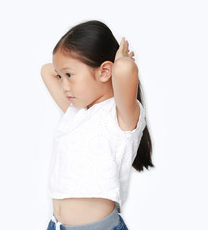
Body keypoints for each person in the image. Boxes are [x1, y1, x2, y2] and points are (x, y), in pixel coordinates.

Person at [41, 20, 154, 230]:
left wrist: (119, 60)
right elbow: (46, 70)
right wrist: (66, 69)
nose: (63, 85)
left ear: (104, 72)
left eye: (69, 75)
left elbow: (125, 69)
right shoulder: (76, 113)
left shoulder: (120, 117)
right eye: (61, 77)